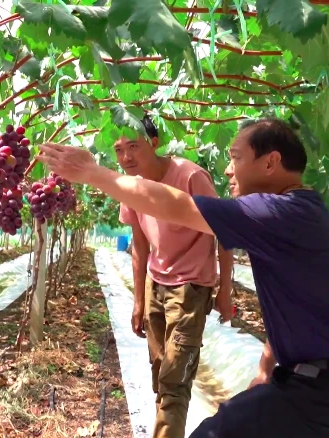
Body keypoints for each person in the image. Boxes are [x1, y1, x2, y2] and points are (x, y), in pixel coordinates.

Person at [39, 117, 329, 437]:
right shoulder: (299, 213)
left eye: (235, 158)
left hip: (327, 389)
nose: (228, 170)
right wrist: (267, 367)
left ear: (270, 162)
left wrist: (93, 173)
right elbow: (295, 306)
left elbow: (177, 205)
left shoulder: (278, 213)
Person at [114, 115, 235, 438]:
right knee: (161, 374)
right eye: (118, 150)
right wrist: (139, 301)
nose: (125, 157)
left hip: (191, 287)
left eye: (133, 147)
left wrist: (225, 290)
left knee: (174, 381)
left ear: (154, 143)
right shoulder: (130, 186)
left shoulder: (190, 176)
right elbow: (139, 245)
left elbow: (223, 230)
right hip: (156, 282)